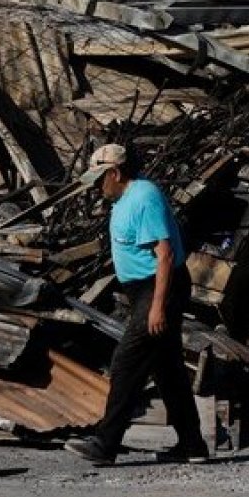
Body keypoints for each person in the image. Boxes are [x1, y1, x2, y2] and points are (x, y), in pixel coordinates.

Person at [66, 143, 210, 466]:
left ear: (115, 173)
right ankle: (192, 445)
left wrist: (158, 305)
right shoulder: (122, 200)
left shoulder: (144, 196)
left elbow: (165, 254)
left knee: (126, 361)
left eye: (100, 179)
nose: (96, 187)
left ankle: (105, 444)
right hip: (144, 291)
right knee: (167, 367)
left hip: (161, 287)